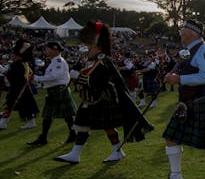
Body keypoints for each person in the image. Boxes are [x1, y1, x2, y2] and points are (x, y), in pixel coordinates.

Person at [53, 22, 152, 164]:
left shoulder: (103, 60)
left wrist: (78, 77)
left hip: (102, 98)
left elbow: (98, 80)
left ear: (96, 43)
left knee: (108, 126)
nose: (87, 48)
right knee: (82, 125)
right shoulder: (91, 60)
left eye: (89, 45)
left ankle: (117, 151)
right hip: (89, 98)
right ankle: (75, 154)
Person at [153, 19, 205, 179]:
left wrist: (179, 79)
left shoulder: (204, 49)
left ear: (192, 32)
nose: (180, 33)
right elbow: (187, 70)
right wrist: (173, 74)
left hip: (203, 99)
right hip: (187, 101)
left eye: (183, 30)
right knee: (171, 136)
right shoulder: (187, 51)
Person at [27, 41, 77, 145]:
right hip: (56, 90)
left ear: (55, 50)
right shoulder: (54, 61)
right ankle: (44, 137)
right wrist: (41, 83)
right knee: (54, 115)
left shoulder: (58, 61)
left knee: (56, 115)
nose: (46, 50)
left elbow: (55, 76)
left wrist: (36, 77)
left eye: (48, 48)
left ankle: (71, 135)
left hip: (59, 90)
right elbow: (52, 79)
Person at [0, 39, 39, 131]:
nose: (14, 56)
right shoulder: (24, 64)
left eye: (16, 55)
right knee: (23, 106)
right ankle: (31, 122)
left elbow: (12, 76)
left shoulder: (18, 65)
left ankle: (3, 123)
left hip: (18, 88)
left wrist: (3, 70)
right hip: (21, 88)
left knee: (11, 105)